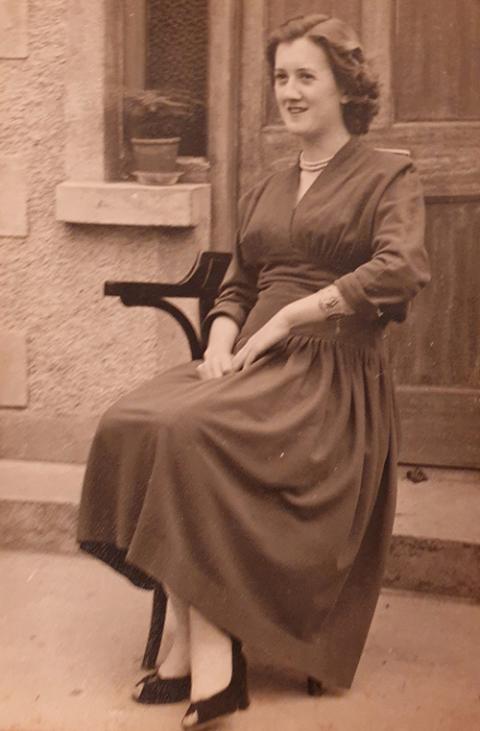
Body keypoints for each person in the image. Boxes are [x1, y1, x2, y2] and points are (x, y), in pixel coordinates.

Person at [78, 13, 430, 729]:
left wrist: (294, 317)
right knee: (137, 419)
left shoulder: (388, 174)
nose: (290, 92)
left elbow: (401, 271)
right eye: (281, 77)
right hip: (253, 360)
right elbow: (240, 281)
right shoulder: (268, 183)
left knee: (190, 432)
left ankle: (208, 657)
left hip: (329, 378)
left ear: (344, 88)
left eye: (307, 77)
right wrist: (220, 338)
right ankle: (191, 641)